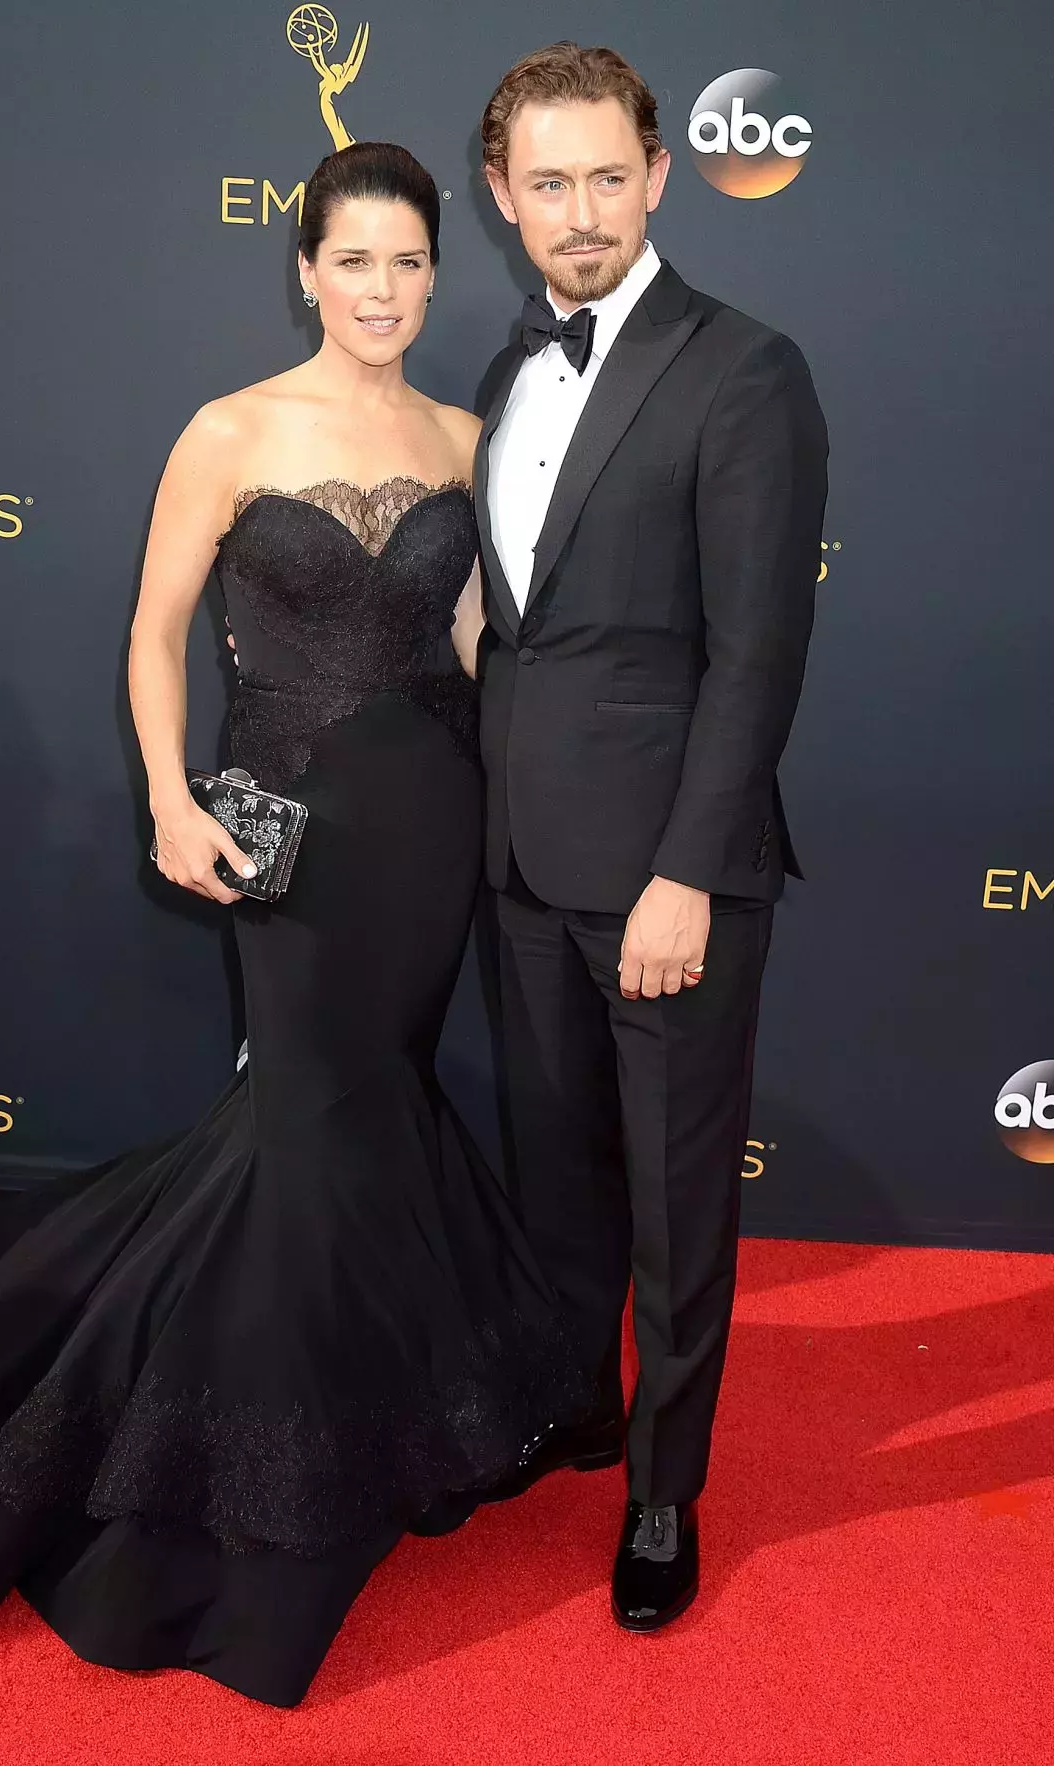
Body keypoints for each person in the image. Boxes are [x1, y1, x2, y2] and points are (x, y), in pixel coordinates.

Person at [0, 142, 593, 1709]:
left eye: (409, 262)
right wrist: (167, 792)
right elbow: (155, 635)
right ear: (305, 270)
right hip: (282, 822)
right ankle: (258, 1474)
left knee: (371, 1108)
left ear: (440, 272)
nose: (381, 289)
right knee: (302, 1116)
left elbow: (484, 642)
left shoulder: (471, 436)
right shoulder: (228, 430)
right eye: (353, 260)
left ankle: (363, 1406)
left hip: (432, 824)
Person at [470, 44, 829, 1630]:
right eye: (548, 183)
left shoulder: (746, 368)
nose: (581, 210)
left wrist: (687, 869)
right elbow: (530, 615)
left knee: (679, 1202)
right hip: (523, 862)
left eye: (608, 174)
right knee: (559, 1179)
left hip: (668, 873)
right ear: (502, 197)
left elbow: (758, 653)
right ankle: (582, 1406)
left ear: (661, 174)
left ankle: (667, 1489)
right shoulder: (505, 371)